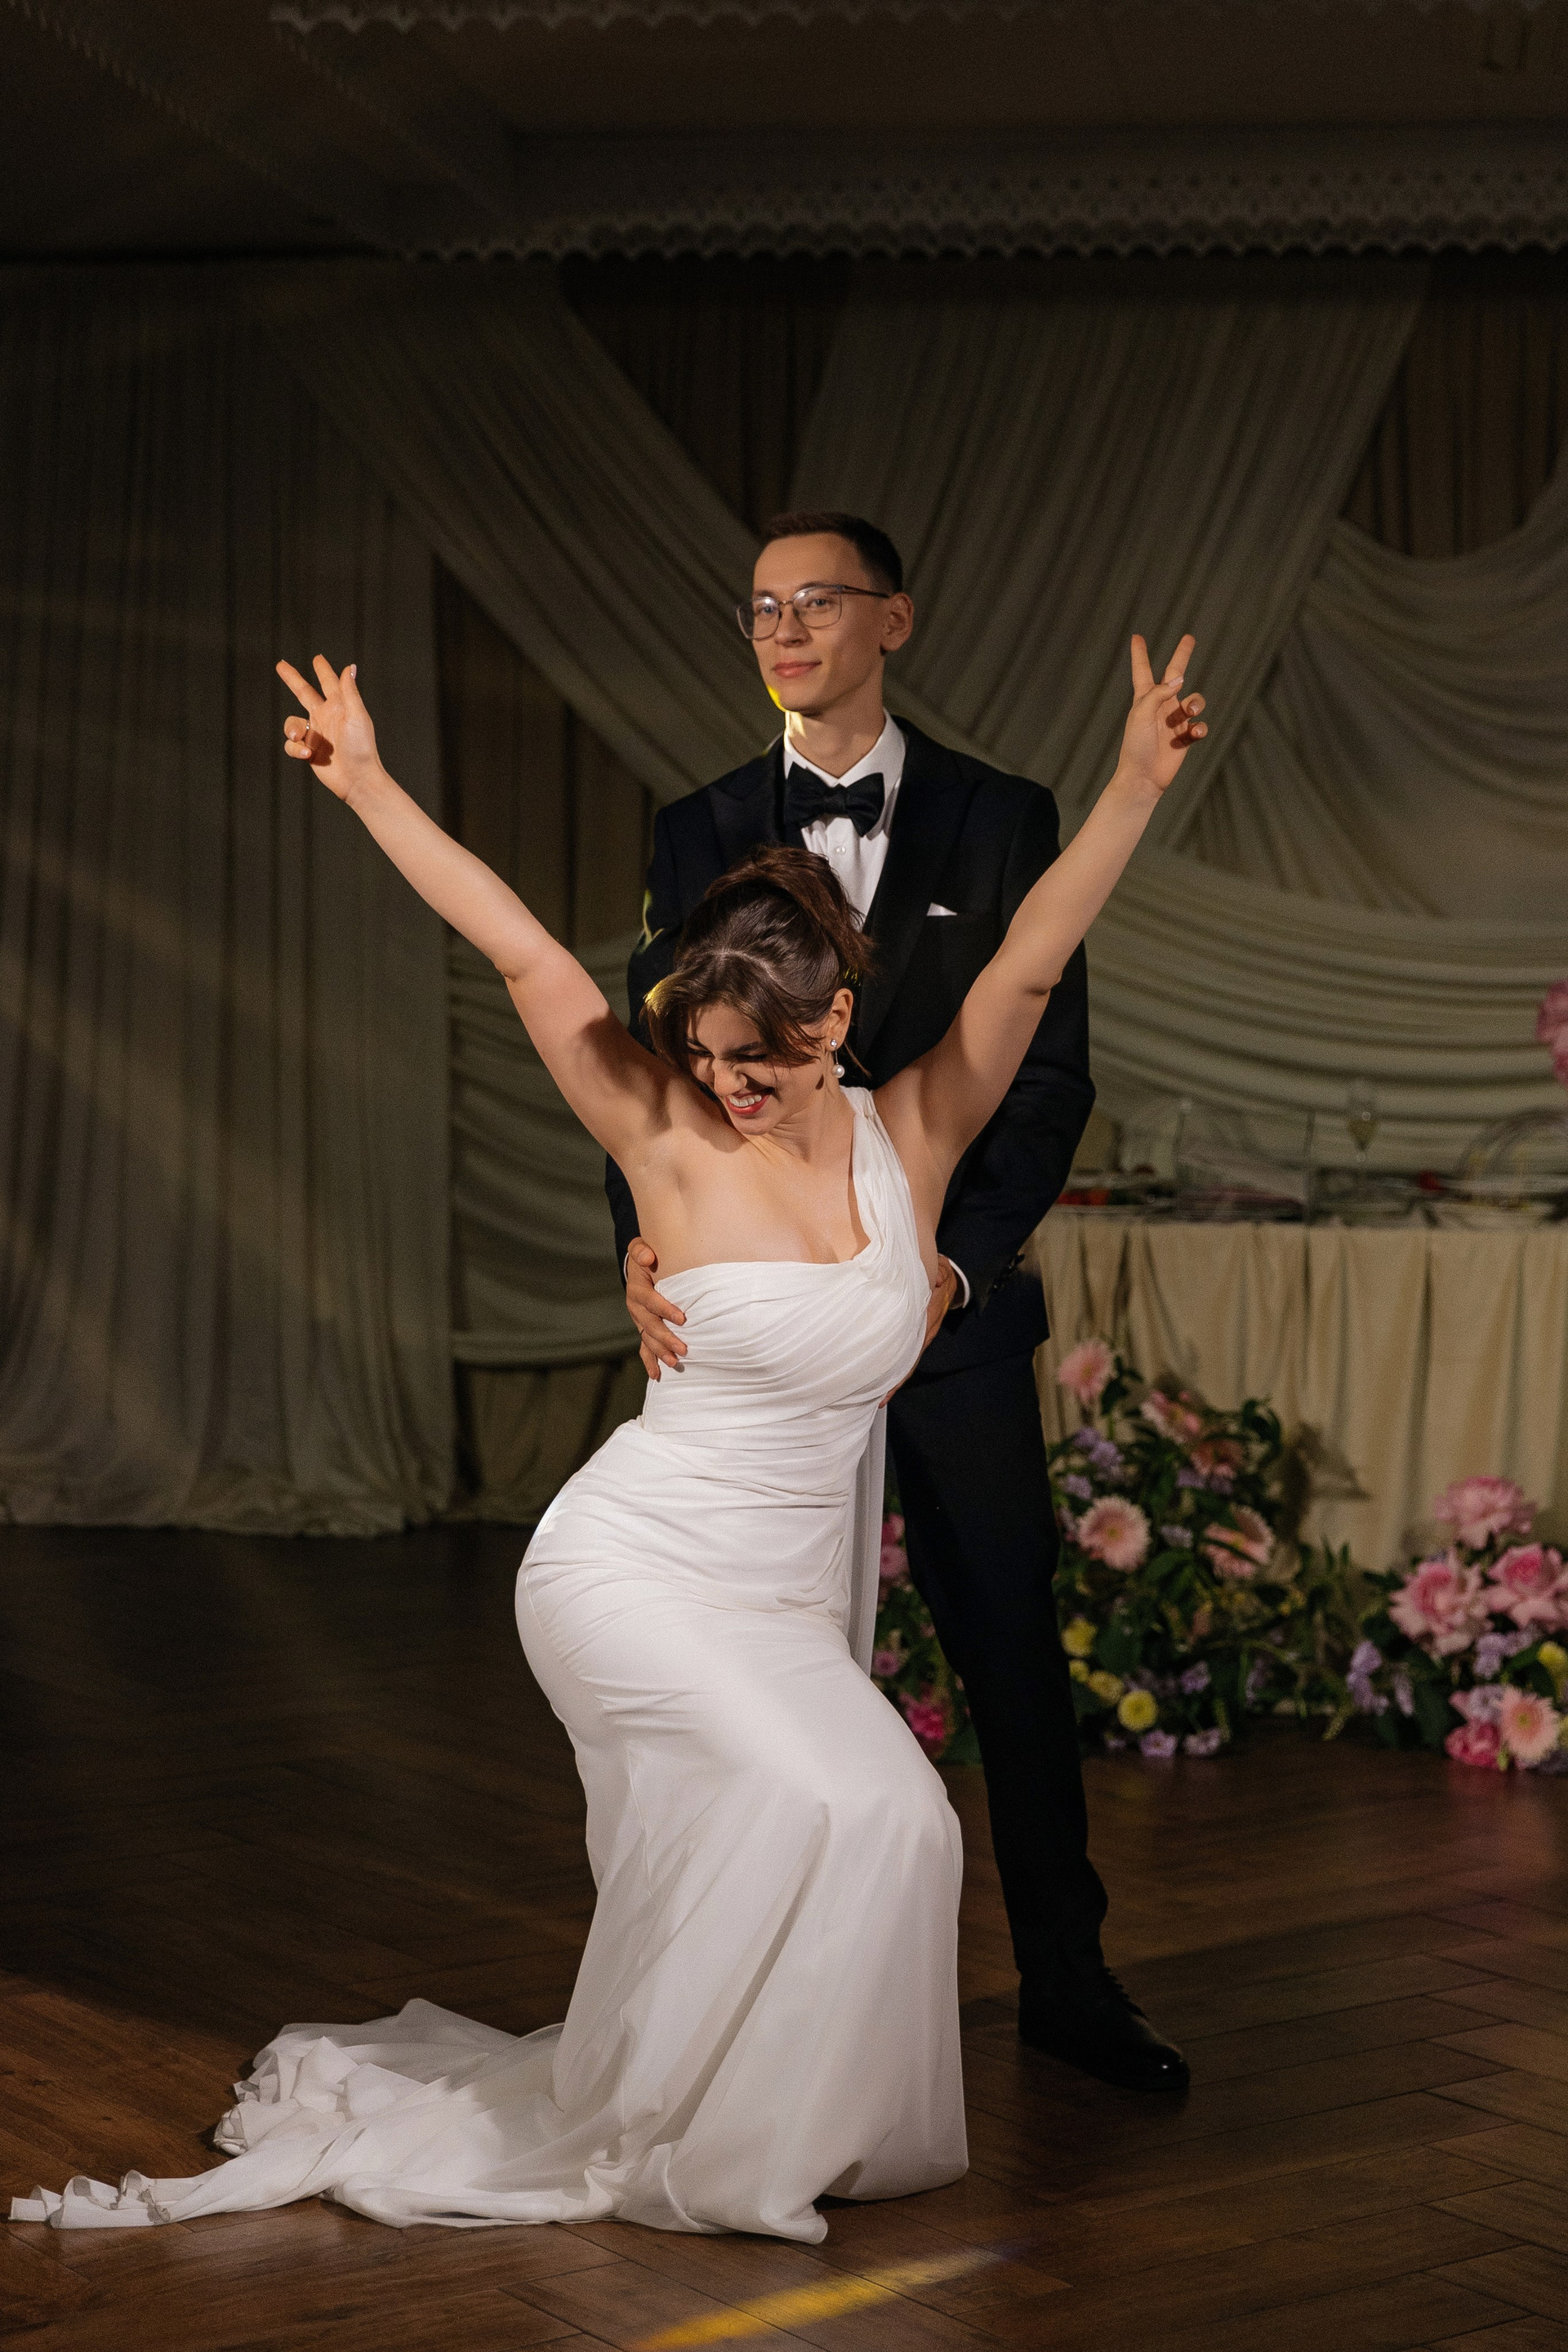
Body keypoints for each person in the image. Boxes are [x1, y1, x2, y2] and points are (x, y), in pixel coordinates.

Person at [12, 630, 1204, 2243]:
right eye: (704, 1055)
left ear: (835, 1021)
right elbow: (520, 951)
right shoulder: (663, 1134)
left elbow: (1033, 964)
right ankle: (708, 2148)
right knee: (829, 1809)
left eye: (759, 1058)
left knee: (903, 1824)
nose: (728, 1085)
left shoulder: (912, 1136)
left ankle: (763, 2116)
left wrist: (1134, 784)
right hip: (632, 1570)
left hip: (782, 1602)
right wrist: (368, 786)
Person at [608, 511, 1187, 2092]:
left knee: (1008, 1638)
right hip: (745, 1327)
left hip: (942, 1313)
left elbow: (1043, 1068)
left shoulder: (1004, 817)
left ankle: (1068, 1981)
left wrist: (950, 1264)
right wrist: (645, 1248)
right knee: (741, 1660)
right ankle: (732, 2001)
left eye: (817, 601)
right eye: (761, 608)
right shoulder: (697, 823)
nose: (785, 629)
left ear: (895, 620)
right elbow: (646, 1072)